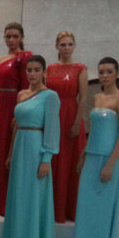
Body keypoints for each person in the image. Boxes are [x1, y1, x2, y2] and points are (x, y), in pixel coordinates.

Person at [69, 57, 119, 238]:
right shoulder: (97, 98)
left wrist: (110, 164)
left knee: (104, 212)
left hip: (109, 160)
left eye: (109, 71)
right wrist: (84, 154)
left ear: (116, 74)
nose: (104, 75)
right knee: (86, 210)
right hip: (92, 158)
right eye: (101, 71)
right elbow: (92, 130)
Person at [1, 55, 60, 238]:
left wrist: (47, 158)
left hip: (37, 149)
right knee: (19, 198)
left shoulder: (51, 96)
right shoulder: (22, 95)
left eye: (36, 70)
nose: (32, 74)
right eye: (29, 70)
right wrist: (9, 153)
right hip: (20, 149)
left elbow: (53, 129)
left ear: (44, 72)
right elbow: (16, 127)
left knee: (35, 199)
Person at [0, 22, 33, 216]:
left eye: (15, 36)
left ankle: (9, 202)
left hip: (14, 105)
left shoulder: (25, 58)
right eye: (8, 36)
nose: (11, 40)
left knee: (10, 151)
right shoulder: (0, 59)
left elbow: (27, 88)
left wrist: (19, 112)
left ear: (22, 37)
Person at [47, 31, 88, 223]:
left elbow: (84, 98)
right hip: (53, 115)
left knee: (69, 163)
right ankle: (52, 208)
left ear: (74, 46)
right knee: (54, 161)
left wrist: (77, 123)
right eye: (62, 44)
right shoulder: (50, 68)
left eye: (69, 44)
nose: (66, 48)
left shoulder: (80, 68)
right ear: (57, 46)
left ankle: (69, 209)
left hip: (71, 115)